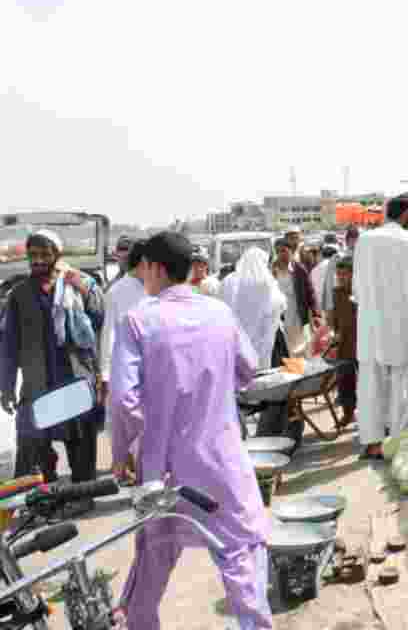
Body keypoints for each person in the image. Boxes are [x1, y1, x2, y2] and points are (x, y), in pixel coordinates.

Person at [109, 232, 272, 629]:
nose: (141, 275)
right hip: (221, 463)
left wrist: (121, 454)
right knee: (240, 553)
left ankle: (139, 624)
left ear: (156, 268)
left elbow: (123, 400)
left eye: (143, 267)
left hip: (162, 470)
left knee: (153, 551)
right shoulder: (219, 312)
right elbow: (248, 370)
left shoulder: (137, 320)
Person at [0, 230, 105, 500]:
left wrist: (82, 287)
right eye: (33, 255)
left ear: (57, 256)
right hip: (38, 384)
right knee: (33, 445)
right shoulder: (19, 295)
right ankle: (38, 500)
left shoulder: (77, 285)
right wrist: (7, 385)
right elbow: (9, 344)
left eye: (44, 254)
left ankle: (81, 498)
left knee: (80, 444)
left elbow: (99, 321)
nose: (38, 260)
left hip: (73, 378)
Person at [352, 197, 408, 461]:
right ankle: (399, 443)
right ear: (407, 214)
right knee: (402, 382)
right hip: (401, 323)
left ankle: (373, 443)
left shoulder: (364, 241)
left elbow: (357, 291)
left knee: (369, 382)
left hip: (369, 323)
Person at [99, 239, 149, 482]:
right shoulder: (118, 292)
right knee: (125, 426)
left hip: (151, 371)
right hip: (126, 371)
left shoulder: (156, 288)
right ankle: (125, 469)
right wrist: (106, 373)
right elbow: (109, 334)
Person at [221, 247, 286, 370]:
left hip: (235, 341)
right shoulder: (265, 282)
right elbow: (279, 304)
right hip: (260, 339)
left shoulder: (228, 280)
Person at [271, 238, 321, 358]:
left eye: (283, 251)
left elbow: (310, 293)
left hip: (297, 314)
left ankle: (302, 373)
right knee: (285, 349)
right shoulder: (272, 270)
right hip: (279, 317)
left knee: (301, 347)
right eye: (278, 252)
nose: (281, 254)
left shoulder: (299, 269)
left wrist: (315, 314)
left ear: (290, 251)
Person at [331, 256, 358, 428]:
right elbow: (336, 316)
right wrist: (335, 333)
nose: (341, 277)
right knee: (344, 380)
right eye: (339, 274)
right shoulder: (337, 293)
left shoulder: (362, 291)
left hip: (362, 342)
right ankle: (348, 414)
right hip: (345, 343)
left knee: (367, 381)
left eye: (345, 274)